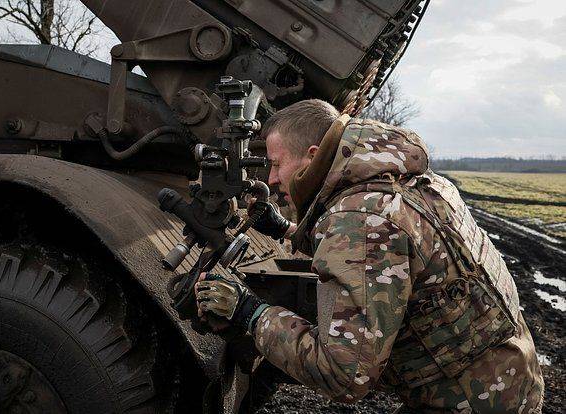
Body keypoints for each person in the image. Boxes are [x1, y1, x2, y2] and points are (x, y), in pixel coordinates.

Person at [194, 99, 544, 413]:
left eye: (275, 164)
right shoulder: (403, 181)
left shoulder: (361, 219)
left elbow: (344, 374)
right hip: (505, 377)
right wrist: (287, 229)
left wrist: (251, 314)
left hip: (471, 399)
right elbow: (392, 262)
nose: (270, 179)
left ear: (313, 156)